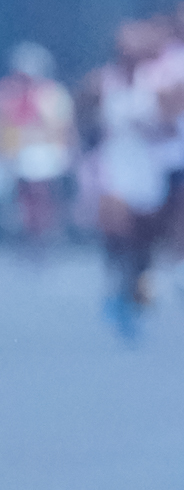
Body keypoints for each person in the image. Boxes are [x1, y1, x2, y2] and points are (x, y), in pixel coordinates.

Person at [77, 18, 173, 337]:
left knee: (145, 242)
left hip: (146, 166)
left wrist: (151, 128)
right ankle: (114, 288)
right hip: (112, 164)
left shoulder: (156, 84)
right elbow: (83, 120)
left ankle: (137, 296)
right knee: (118, 233)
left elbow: (170, 127)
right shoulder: (100, 83)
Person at [0, 42, 76, 243]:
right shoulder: (8, 92)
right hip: (17, 151)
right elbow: (0, 124)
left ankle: (45, 229)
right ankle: (26, 230)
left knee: (42, 192)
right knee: (22, 195)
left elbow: (62, 127)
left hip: (45, 151)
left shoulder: (53, 94)